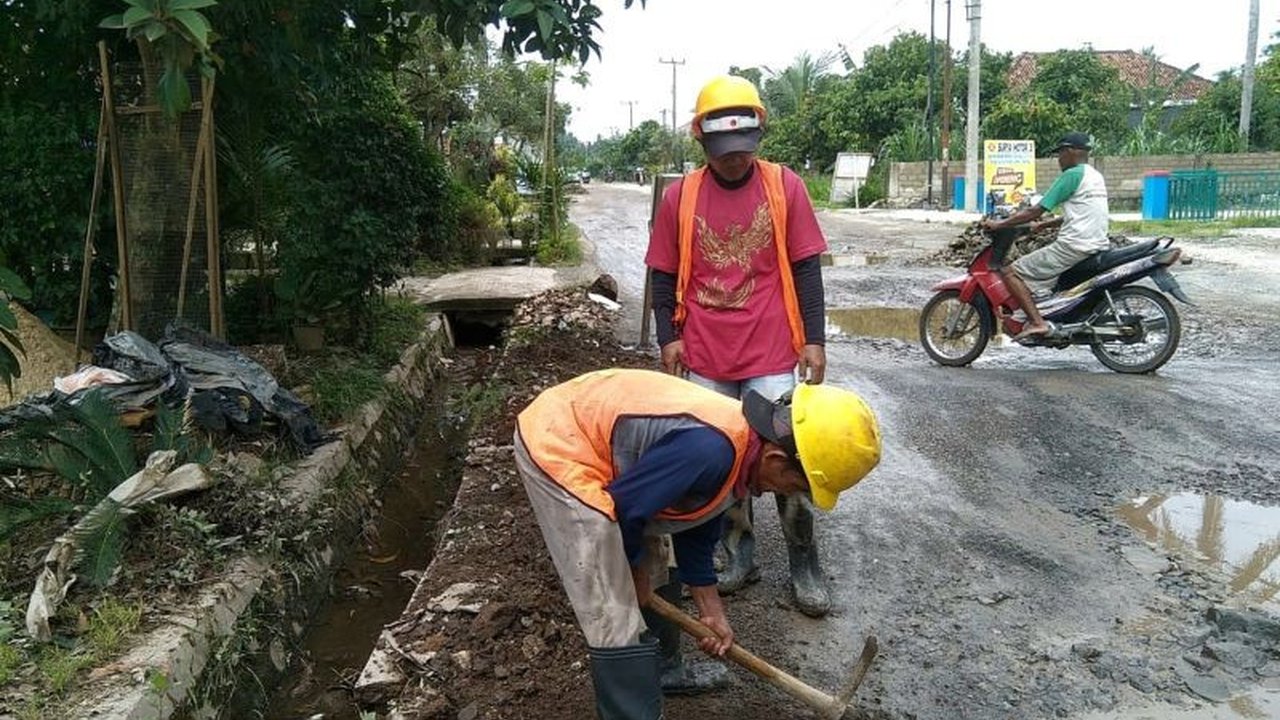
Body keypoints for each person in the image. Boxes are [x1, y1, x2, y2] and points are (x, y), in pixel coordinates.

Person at [514, 368, 881, 720]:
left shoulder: (742, 447)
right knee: (613, 606)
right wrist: (632, 574)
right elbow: (625, 509)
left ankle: (664, 669)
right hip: (560, 441)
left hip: (612, 458)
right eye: (797, 487)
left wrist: (712, 612)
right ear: (775, 458)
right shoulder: (711, 450)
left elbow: (695, 517)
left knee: (660, 559)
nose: (786, 494)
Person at [644, 75, 833, 625]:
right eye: (723, 153)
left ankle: (804, 563)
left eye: (743, 151)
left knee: (791, 457)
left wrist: (814, 338)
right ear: (702, 143)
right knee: (722, 464)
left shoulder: (784, 186)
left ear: (758, 137)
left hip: (772, 351)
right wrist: (669, 337)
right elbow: (663, 274)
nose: (735, 162)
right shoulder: (682, 197)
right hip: (704, 355)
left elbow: (805, 268)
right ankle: (738, 554)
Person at [982, 131, 1111, 341]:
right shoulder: (1094, 175)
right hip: (1094, 242)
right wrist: (1045, 225)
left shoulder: (1071, 175)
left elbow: (1035, 210)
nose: (1059, 159)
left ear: (1070, 152)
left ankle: (1037, 322)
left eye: (1060, 153)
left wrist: (999, 224)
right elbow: (1082, 211)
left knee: (1011, 272)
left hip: (1074, 246)